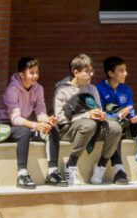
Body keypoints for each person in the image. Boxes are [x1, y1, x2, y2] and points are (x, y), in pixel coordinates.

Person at [53, 54, 124, 185]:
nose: (91, 74)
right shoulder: (62, 90)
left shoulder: (92, 89)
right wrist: (87, 115)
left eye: (92, 71)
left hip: (93, 127)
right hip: (69, 130)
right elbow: (60, 119)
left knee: (115, 128)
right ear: (76, 72)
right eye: (87, 71)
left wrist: (100, 115)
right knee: (88, 124)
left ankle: (101, 166)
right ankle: (70, 164)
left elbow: (98, 109)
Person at [0, 57, 66, 188]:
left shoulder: (38, 89)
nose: (35, 76)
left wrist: (48, 120)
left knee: (51, 129)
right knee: (24, 133)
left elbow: (40, 111)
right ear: (22, 75)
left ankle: (52, 172)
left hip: (25, 124)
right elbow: (15, 119)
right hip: (6, 125)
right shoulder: (12, 89)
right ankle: (22, 174)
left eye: (37, 72)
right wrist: (35, 125)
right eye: (31, 73)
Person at [97, 56, 137, 154]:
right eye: (121, 71)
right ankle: (116, 162)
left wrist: (133, 117)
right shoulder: (99, 89)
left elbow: (130, 108)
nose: (125, 73)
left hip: (125, 123)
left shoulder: (126, 89)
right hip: (108, 124)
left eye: (125, 70)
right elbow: (101, 113)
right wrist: (119, 116)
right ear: (110, 73)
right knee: (115, 128)